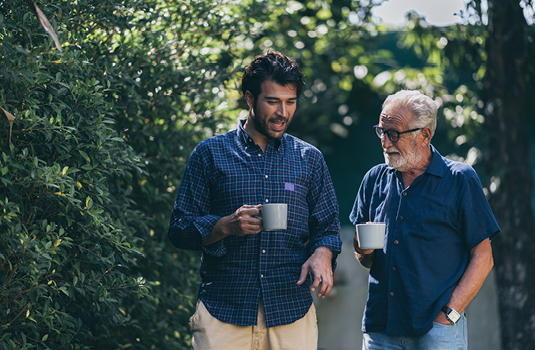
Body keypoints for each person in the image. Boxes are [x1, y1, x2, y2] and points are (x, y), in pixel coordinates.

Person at [168, 51, 342, 350]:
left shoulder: (309, 159)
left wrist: (323, 254)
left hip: (291, 311)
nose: (283, 112)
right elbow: (179, 229)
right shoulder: (210, 153)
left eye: (291, 102)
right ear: (250, 99)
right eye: (273, 101)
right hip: (224, 312)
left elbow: (327, 227)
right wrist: (225, 225)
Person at [349, 90, 500, 350]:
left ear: (425, 134)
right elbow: (365, 258)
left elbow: (483, 256)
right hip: (380, 326)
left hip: (437, 329)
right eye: (381, 131)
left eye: (394, 133)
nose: (385, 142)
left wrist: (450, 314)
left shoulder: (460, 179)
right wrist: (362, 250)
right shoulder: (374, 179)